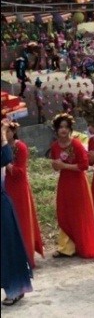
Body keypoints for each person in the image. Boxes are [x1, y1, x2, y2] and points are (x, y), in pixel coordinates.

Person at [50, 113, 94, 259]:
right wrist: (56, 166)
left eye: (66, 127)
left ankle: (81, 244)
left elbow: (84, 166)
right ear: (56, 129)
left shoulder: (76, 144)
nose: (63, 130)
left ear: (71, 129)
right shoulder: (54, 146)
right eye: (60, 127)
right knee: (65, 213)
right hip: (64, 183)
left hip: (78, 183)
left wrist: (64, 165)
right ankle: (66, 247)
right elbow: (56, 168)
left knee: (79, 213)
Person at [1, 118, 33, 306]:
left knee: (7, 247)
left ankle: (14, 289)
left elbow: (5, 159)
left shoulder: (8, 147)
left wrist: (2, 135)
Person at [4, 121, 44, 268]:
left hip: (18, 189)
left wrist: (6, 163)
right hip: (5, 187)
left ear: (13, 132)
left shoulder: (20, 147)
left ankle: (25, 256)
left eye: (7, 131)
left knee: (21, 221)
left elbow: (20, 172)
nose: (4, 134)